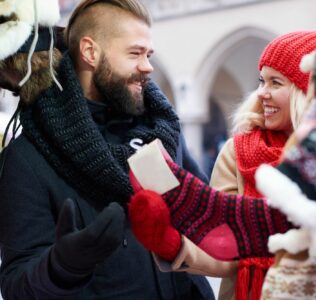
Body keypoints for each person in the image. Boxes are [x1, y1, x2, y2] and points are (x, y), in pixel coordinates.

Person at [0, 0, 214, 299]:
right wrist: (62, 266)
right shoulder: (28, 158)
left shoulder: (162, 132)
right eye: (135, 53)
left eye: (148, 54)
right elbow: (15, 285)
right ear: (90, 52)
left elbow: (211, 216)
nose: (148, 66)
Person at [129, 28, 316, 300]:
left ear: (308, 92)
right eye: (261, 81)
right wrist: (176, 247)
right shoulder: (239, 151)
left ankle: (188, 199)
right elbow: (226, 247)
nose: (261, 94)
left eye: (276, 83)